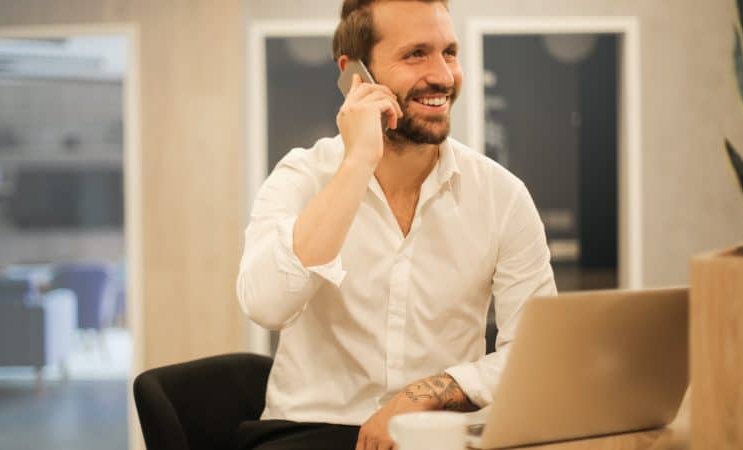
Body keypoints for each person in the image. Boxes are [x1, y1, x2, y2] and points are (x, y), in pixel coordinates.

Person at [236, 0, 557, 449]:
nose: (443, 76)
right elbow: (267, 305)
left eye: (449, 52)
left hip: (437, 431)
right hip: (309, 432)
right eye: (416, 54)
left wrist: (425, 394)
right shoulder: (302, 176)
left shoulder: (502, 197)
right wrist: (358, 163)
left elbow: (534, 355)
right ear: (354, 74)